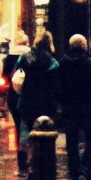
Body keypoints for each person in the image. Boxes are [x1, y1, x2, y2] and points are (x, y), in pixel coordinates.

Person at [57, 33, 91, 180]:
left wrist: (63, 101)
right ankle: (86, 164)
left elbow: (57, 86)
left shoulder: (62, 64)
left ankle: (74, 174)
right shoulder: (90, 64)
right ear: (84, 46)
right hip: (86, 107)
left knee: (71, 141)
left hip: (70, 108)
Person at [14, 35, 61, 171]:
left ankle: (24, 160)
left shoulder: (23, 58)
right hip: (46, 103)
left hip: (27, 101)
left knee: (25, 130)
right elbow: (56, 86)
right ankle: (39, 161)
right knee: (44, 132)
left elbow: (15, 76)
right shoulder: (52, 62)